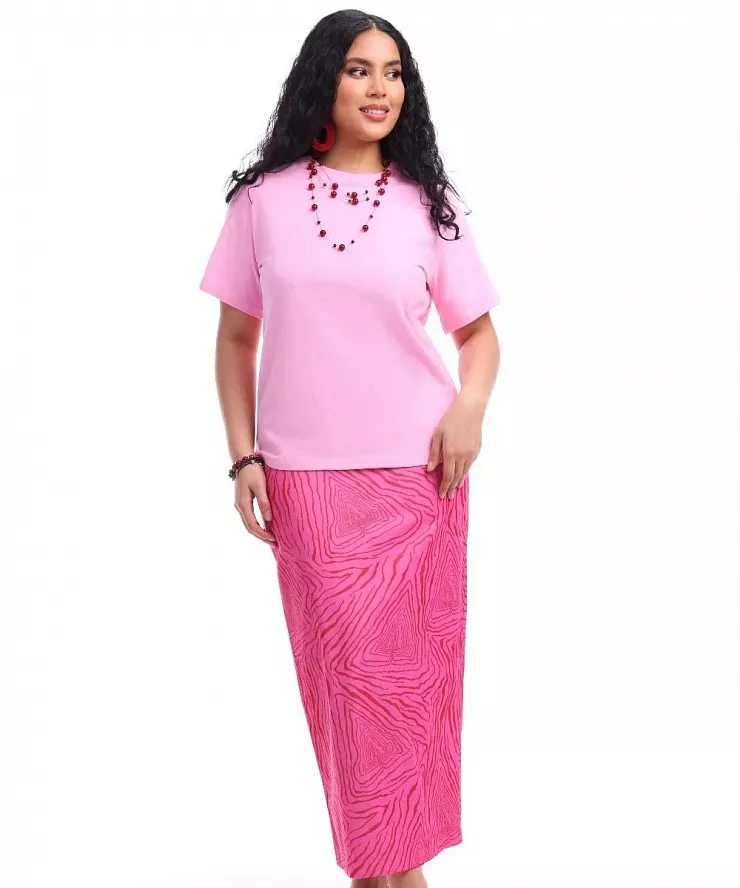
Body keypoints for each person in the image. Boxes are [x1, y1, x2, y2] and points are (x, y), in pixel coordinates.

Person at [199, 10, 502, 888]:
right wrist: (243, 457)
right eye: (361, 69)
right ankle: (391, 876)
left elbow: (479, 337)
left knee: (409, 706)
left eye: (395, 72)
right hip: (309, 490)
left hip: (421, 483)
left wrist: (469, 409)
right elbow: (235, 341)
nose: (381, 88)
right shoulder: (262, 202)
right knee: (349, 707)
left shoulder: (428, 205)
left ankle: (388, 876)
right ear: (324, 79)